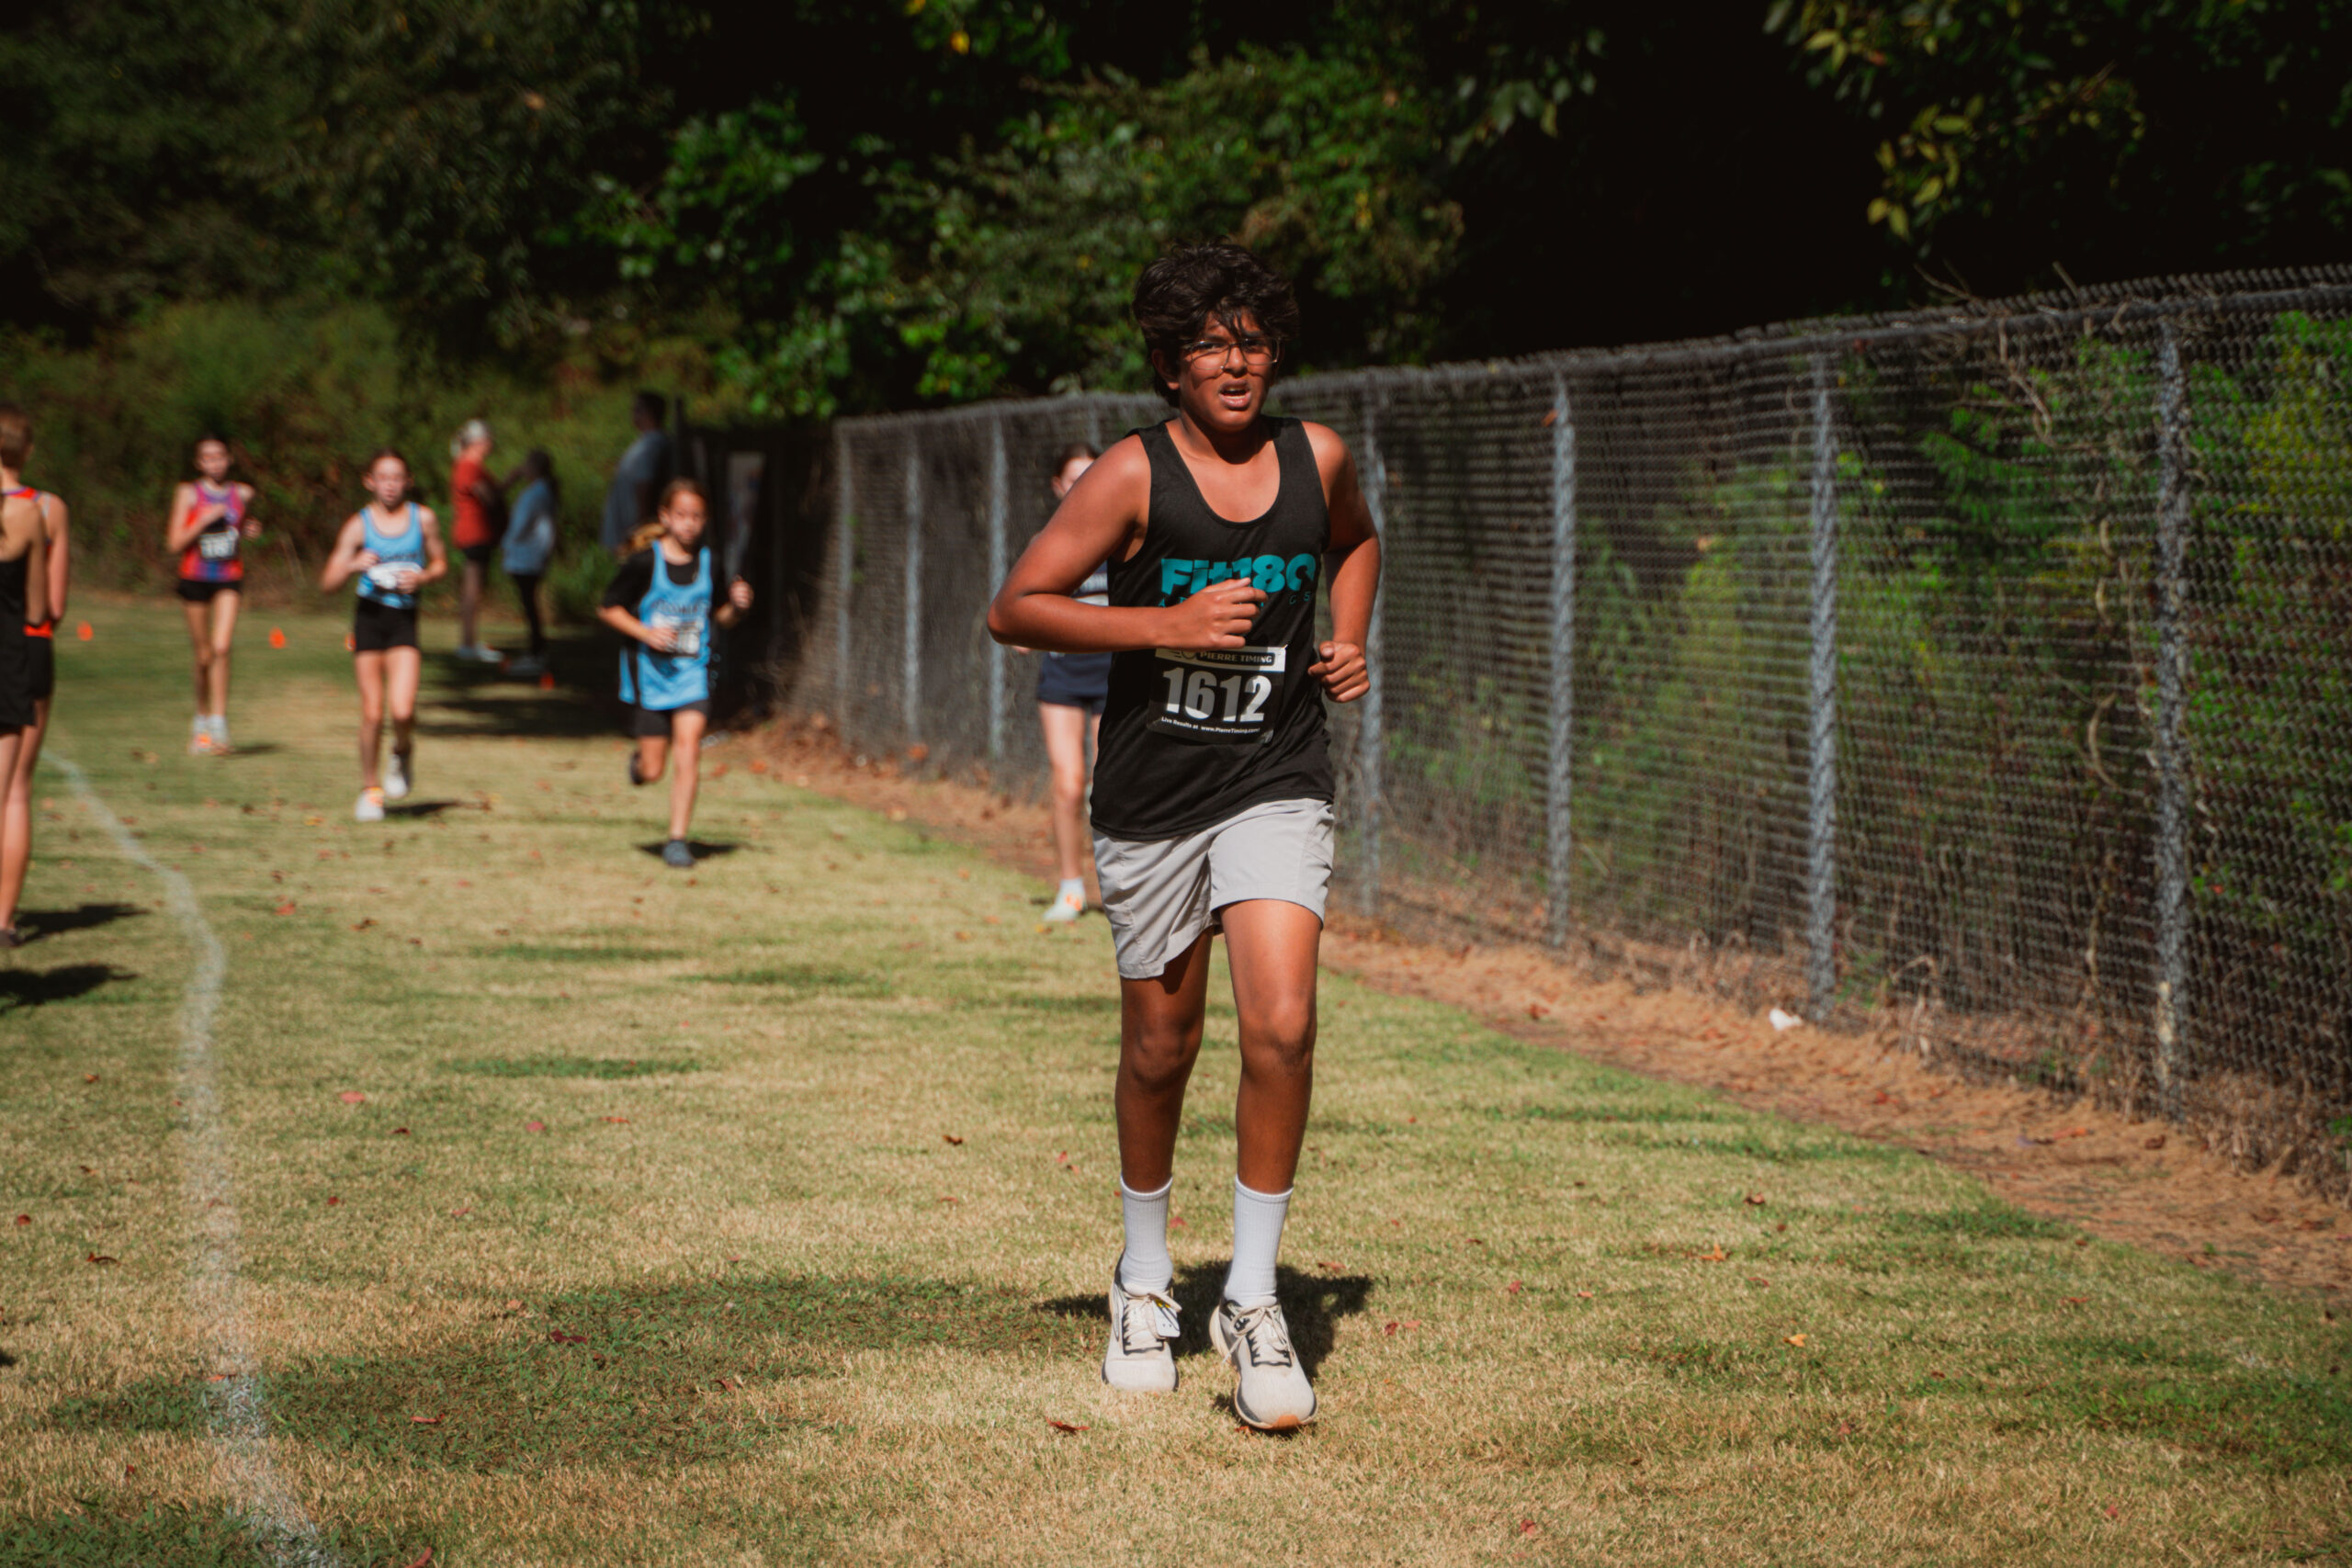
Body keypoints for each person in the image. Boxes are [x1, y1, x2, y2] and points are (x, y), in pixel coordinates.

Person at [988, 243, 1381, 1430]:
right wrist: (1166, 622)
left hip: (1277, 773)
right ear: (1170, 365)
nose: (1235, 362)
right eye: (1210, 344)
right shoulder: (1131, 473)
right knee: (1162, 1045)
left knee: (1284, 1021)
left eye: (1252, 340)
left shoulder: (1317, 458)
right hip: (1154, 790)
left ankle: (1253, 1299)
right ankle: (1145, 1277)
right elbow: (1015, 607)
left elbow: (1357, 541)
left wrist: (1348, 637)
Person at [598, 479, 750, 870]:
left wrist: (736, 606)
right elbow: (608, 608)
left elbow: (721, 618)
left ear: (705, 520)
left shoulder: (711, 563)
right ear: (665, 517)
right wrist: (646, 632)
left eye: (696, 516)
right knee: (654, 769)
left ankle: (677, 841)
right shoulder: (644, 563)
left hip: (692, 674)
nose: (689, 523)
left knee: (688, 750)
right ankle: (639, 767)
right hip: (650, 678)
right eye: (681, 515)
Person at [319, 450, 447, 824]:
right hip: (369, 619)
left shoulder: (423, 519)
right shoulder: (358, 526)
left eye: (397, 478)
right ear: (369, 482)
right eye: (383, 478)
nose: (390, 485)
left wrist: (423, 577)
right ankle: (370, 791)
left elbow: (440, 562)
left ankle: (402, 751)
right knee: (373, 713)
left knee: (403, 711)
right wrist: (351, 565)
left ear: (407, 482)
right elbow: (327, 583)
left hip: (404, 620)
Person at [1017, 443, 1111, 923]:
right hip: (1063, 677)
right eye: (1074, 479)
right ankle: (1071, 889)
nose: (1083, 487)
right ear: (1058, 487)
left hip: (1115, 675)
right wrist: (1025, 629)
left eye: (1092, 476)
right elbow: (1019, 612)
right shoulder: (1045, 543)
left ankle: (1123, 889)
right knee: (1069, 783)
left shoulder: (1123, 539)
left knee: (1107, 786)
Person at [0, 407, 59, 949]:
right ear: (27, 451)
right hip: (12, 657)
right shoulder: (33, 512)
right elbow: (41, 607)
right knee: (11, 793)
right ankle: (2, 920)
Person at [164, 436, 259, 754]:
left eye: (220, 456)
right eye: (208, 458)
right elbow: (174, 543)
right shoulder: (188, 493)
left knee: (222, 647)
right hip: (195, 578)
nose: (215, 462)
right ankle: (201, 717)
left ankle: (219, 721)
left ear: (229, 459)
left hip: (228, 577)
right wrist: (201, 520)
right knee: (204, 654)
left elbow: (240, 526)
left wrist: (249, 530)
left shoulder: (243, 493)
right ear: (199, 463)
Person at [447, 419, 503, 663]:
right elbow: (487, 496)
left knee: (475, 588)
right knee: (472, 589)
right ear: (479, 442)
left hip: (479, 533)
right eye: (488, 439)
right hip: (474, 533)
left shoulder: (470, 465)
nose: (490, 444)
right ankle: (467, 643)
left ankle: (469, 641)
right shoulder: (469, 465)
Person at [501, 448, 558, 677]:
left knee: (529, 606)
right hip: (534, 556)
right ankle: (536, 650)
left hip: (526, 558)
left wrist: (505, 543)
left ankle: (536, 652)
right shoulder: (543, 491)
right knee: (530, 604)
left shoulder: (535, 493)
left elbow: (520, 525)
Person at [601, 391, 673, 555]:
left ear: (648, 412)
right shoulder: (645, 443)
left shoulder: (652, 445)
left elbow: (644, 485)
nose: (632, 413)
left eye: (636, 409)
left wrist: (641, 528)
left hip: (633, 533)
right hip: (627, 533)